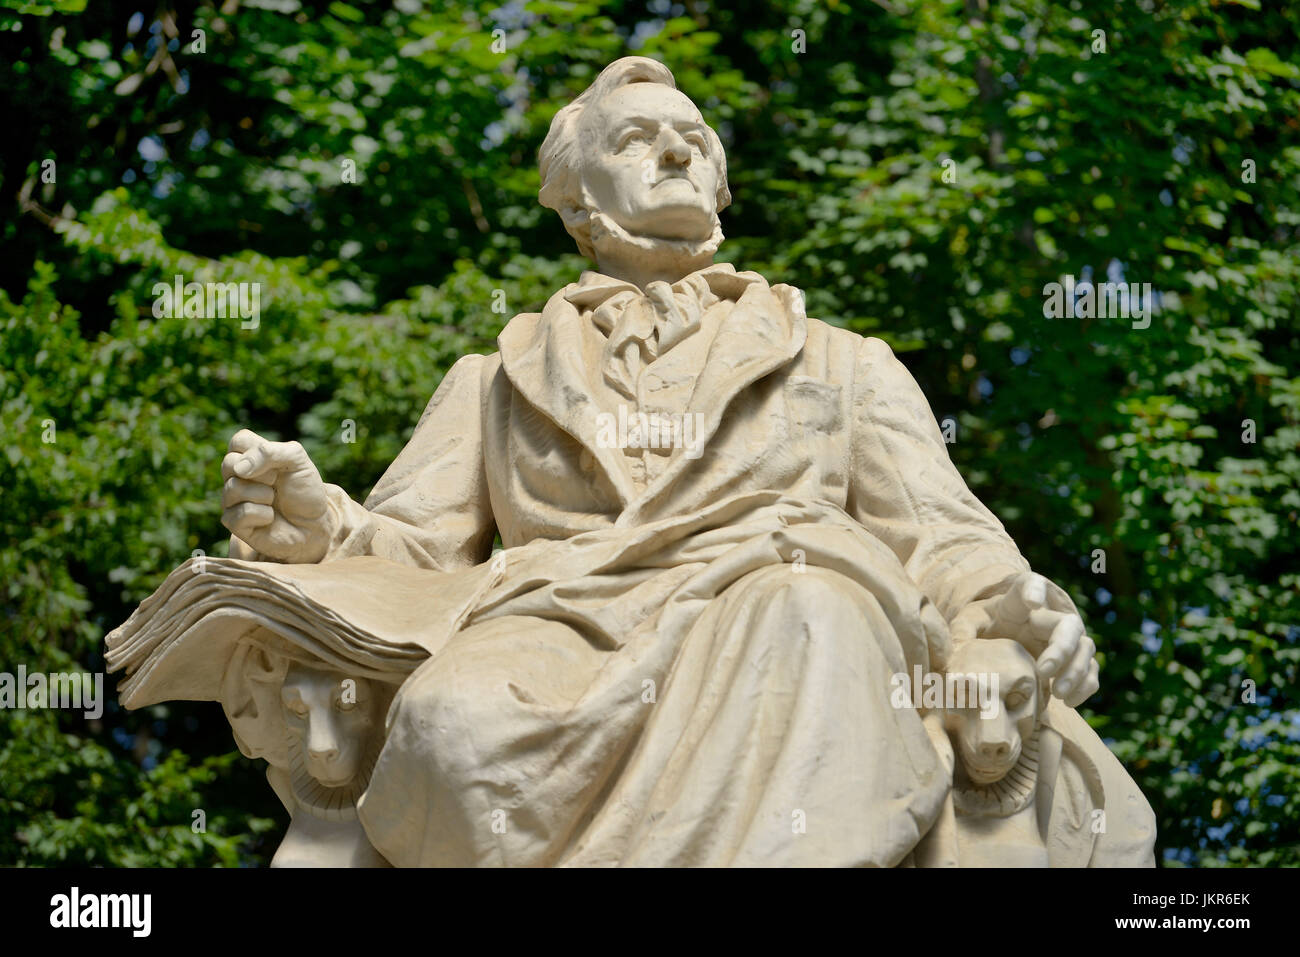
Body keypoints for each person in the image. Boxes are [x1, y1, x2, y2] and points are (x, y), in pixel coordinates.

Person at [218, 57, 1133, 867]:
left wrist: (1005, 604)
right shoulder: (493, 379)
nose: (675, 152)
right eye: (636, 139)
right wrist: (318, 527)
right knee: (447, 717)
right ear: (577, 200)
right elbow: (412, 560)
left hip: (770, 600)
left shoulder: (841, 361)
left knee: (813, 615)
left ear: (720, 184)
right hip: (559, 631)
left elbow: (943, 536)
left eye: (694, 140)